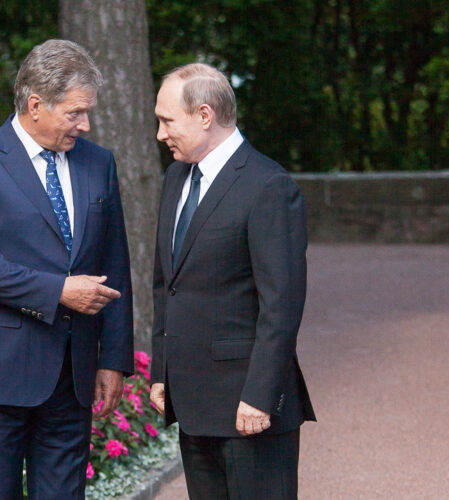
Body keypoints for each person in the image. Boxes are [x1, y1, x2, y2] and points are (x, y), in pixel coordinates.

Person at [0, 39, 134, 500]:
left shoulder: (98, 162)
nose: (85, 125)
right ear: (34, 105)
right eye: (75, 113)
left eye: (88, 112)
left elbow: (114, 262)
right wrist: (59, 291)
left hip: (72, 378)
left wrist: (114, 360)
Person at [149, 63, 316, 499]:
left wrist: (260, 397)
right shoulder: (175, 178)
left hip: (250, 407)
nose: (160, 134)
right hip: (192, 404)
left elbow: (281, 305)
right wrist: (162, 370)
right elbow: (165, 284)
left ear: (205, 116)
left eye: (167, 121)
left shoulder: (268, 186)